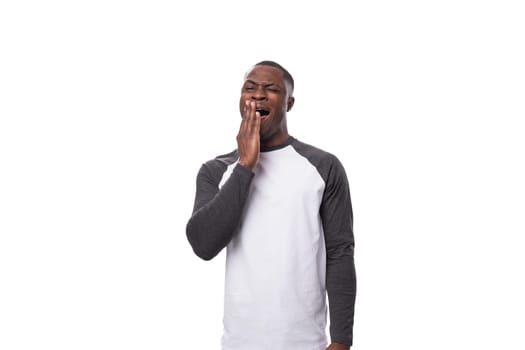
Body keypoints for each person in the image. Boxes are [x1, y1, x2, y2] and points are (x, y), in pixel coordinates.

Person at [186, 60, 356, 350]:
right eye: (250, 88)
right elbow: (204, 245)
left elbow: (339, 252)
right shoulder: (215, 170)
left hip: (305, 342)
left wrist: (342, 340)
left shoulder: (323, 166)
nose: (259, 95)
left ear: (289, 103)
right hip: (239, 342)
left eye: (271, 89)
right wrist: (245, 165)